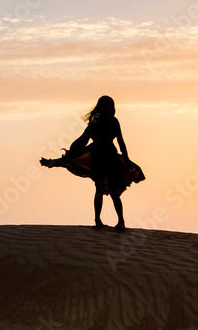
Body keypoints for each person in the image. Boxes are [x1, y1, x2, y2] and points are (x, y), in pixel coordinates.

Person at [40, 96, 145, 230]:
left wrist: (126, 158)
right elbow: (84, 140)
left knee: (112, 190)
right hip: (99, 156)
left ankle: (120, 222)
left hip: (108, 156)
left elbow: (120, 142)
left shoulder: (109, 122)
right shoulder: (98, 122)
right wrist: (73, 152)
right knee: (100, 189)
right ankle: (99, 220)